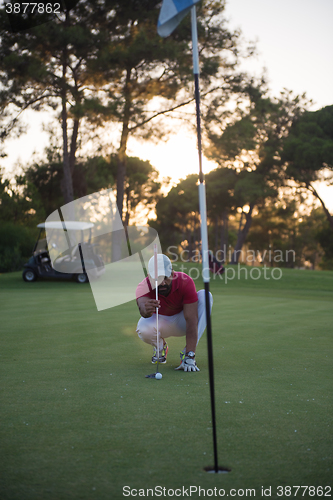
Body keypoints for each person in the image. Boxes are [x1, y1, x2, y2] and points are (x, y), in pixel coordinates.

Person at [135, 254, 213, 372]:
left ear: (172, 273)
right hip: (160, 323)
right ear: (149, 277)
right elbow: (143, 309)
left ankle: (188, 355)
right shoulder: (143, 286)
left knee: (206, 296)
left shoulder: (185, 281)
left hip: (182, 322)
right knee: (142, 327)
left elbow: (191, 320)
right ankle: (160, 347)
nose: (162, 283)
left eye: (165, 277)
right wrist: (145, 310)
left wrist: (190, 354)